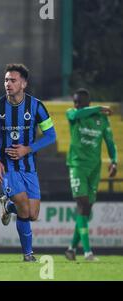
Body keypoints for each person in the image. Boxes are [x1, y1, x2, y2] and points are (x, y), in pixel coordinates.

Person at [0, 63, 56, 262]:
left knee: (32, 214)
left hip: (29, 168)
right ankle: (28, 254)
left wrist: (27, 149)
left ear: (23, 83)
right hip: (7, 168)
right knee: (23, 204)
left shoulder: (37, 106)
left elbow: (51, 135)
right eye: (6, 80)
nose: (8, 84)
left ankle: (7, 207)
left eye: (13, 80)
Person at [64, 88, 117, 261]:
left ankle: (71, 248)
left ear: (87, 102)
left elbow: (109, 142)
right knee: (82, 203)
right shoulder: (72, 114)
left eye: (79, 102)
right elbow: (74, 115)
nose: (76, 105)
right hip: (77, 165)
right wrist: (99, 107)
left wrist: (114, 161)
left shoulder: (101, 119)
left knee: (86, 210)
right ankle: (88, 253)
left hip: (94, 168)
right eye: (75, 101)